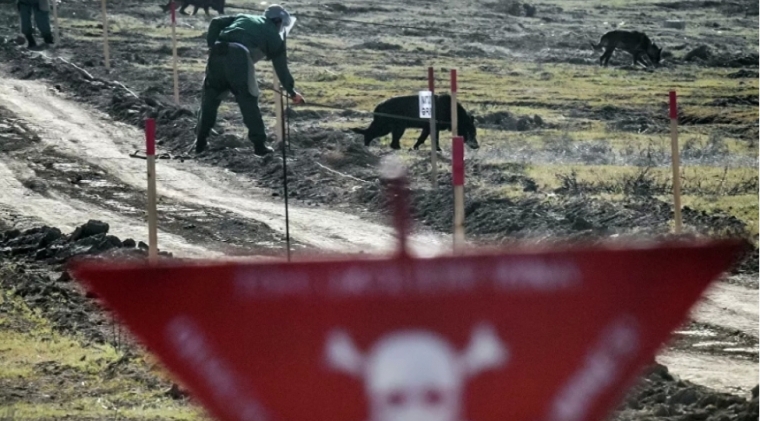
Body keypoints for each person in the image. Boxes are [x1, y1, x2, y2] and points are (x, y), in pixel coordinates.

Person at [194, 4, 304, 157]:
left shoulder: (244, 17)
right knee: (248, 100)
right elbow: (282, 69)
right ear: (278, 21)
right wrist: (291, 92)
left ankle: (200, 142)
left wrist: (212, 45)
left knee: (210, 100)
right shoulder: (274, 36)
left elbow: (216, 22)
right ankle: (259, 146)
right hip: (239, 59)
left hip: (217, 54)